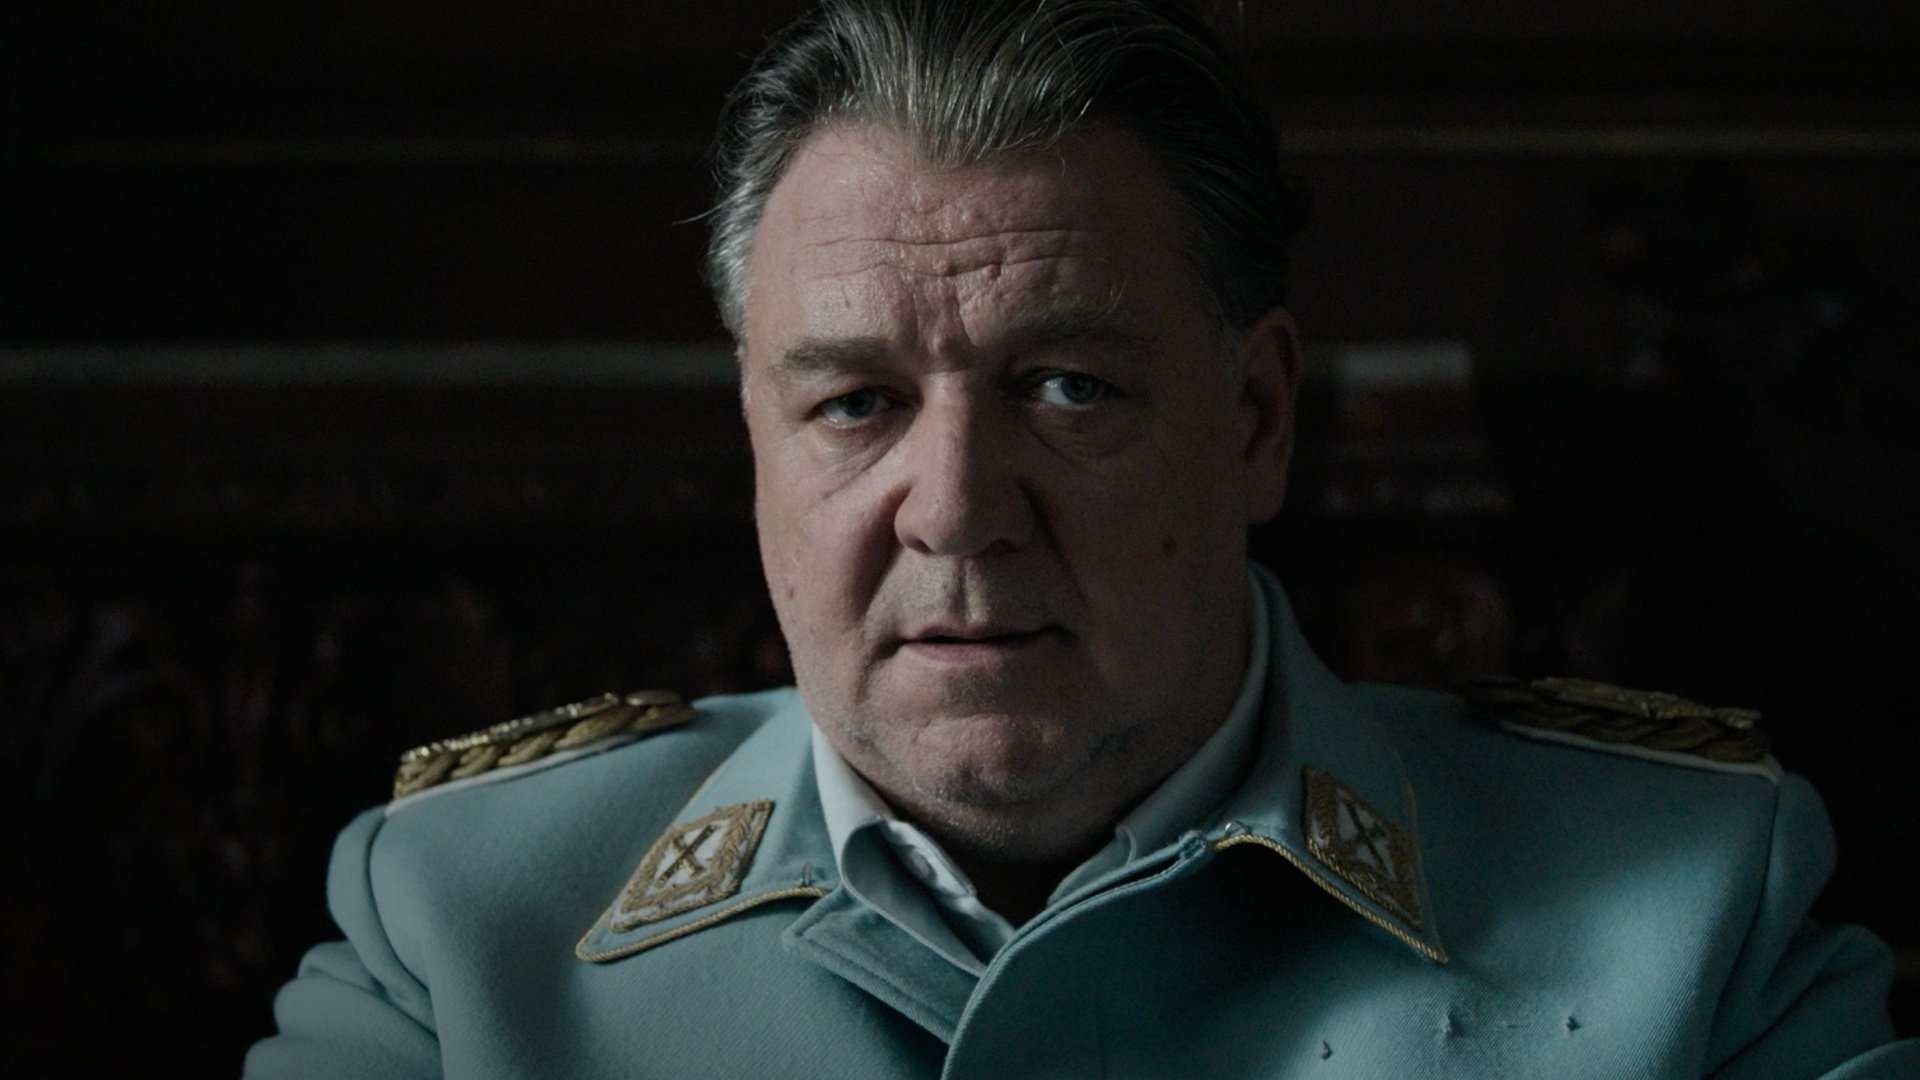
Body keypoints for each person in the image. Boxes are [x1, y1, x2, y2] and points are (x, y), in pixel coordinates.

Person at [245, 1, 1917, 1075]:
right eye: (855, 403)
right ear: (754, 440)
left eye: (1067, 388)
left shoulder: (1689, 915)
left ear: (1254, 419)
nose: (957, 508)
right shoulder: (462, 926)